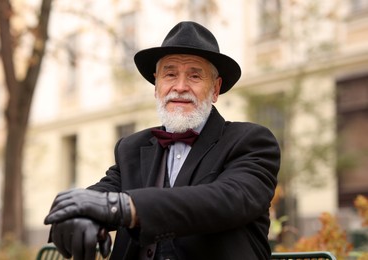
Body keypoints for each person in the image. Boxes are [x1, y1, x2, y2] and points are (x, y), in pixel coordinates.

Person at [44, 21, 280, 260]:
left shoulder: (251, 142)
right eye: (170, 74)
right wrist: (77, 217)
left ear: (216, 89)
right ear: (156, 86)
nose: (179, 87)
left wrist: (124, 208)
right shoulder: (131, 148)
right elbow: (98, 196)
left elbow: (225, 200)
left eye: (195, 76)